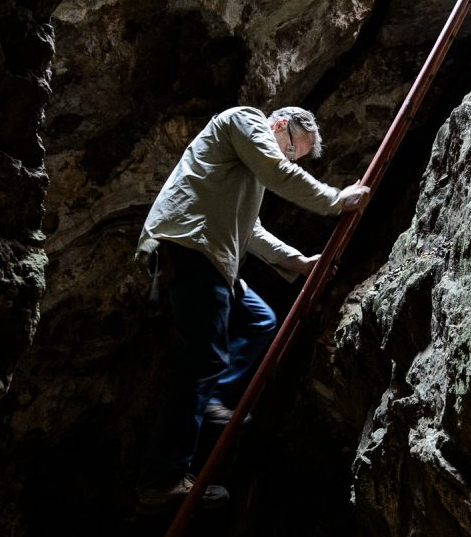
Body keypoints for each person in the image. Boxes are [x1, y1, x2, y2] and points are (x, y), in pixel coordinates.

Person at [135, 104, 369, 507]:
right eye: (294, 150)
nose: (291, 159)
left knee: (260, 320)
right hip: (188, 246)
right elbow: (280, 174)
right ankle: (162, 475)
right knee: (202, 357)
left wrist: (298, 262)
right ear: (280, 125)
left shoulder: (243, 172)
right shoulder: (244, 120)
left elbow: (252, 230)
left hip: (212, 258)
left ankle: (212, 398)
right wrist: (335, 199)